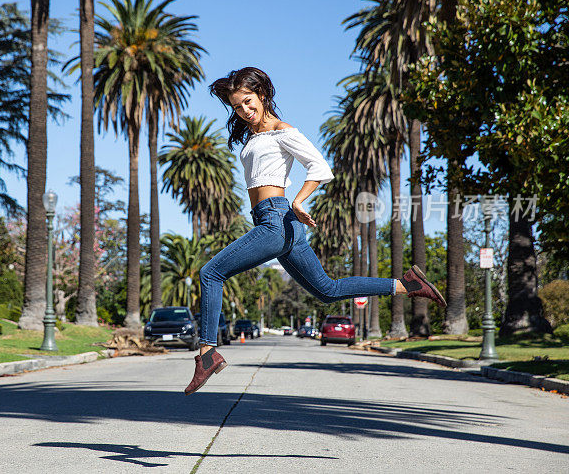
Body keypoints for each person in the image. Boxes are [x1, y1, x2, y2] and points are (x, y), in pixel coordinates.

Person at [184, 67, 446, 395]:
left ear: (262, 95)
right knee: (327, 290)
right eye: (238, 107)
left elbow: (320, 167)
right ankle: (406, 285)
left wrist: (299, 200)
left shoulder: (283, 131)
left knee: (211, 273)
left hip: (276, 220)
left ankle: (207, 354)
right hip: (276, 222)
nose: (245, 111)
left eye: (249, 102)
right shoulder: (255, 136)